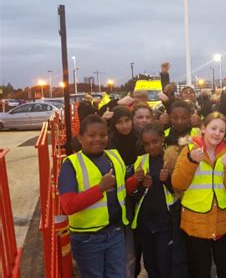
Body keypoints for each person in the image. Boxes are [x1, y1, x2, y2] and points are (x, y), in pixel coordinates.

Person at [58, 114, 141, 278]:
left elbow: (121, 190)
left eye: (103, 135)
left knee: (118, 275)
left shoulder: (114, 157)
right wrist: (100, 188)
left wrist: (136, 180)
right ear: (80, 138)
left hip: (115, 231)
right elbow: (68, 206)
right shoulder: (71, 164)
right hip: (88, 238)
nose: (98, 139)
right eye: (92, 135)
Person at [172, 112, 226, 278]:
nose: (217, 133)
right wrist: (191, 161)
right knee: (200, 271)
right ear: (203, 128)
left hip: (222, 222)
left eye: (221, 130)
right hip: (196, 223)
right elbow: (178, 183)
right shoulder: (189, 150)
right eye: (213, 128)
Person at [131, 122, 186, 278]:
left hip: (165, 222)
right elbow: (133, 195)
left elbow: (181, 192)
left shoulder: (172, 158)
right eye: (147, 144)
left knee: (165, 263)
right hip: (145, 222)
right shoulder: (140, 161)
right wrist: (141, 185)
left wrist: (167, 181)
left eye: (155, 142)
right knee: (149, 263)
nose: (151, 147)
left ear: (162, 138)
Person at [107, 106, 141, 278]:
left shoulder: (139, 136)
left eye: (127, 120)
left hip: (140, 192)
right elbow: (76, 142)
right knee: (126, 243)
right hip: (121, 198)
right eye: (119, 122)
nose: (124, 125)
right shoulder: (110, 140)